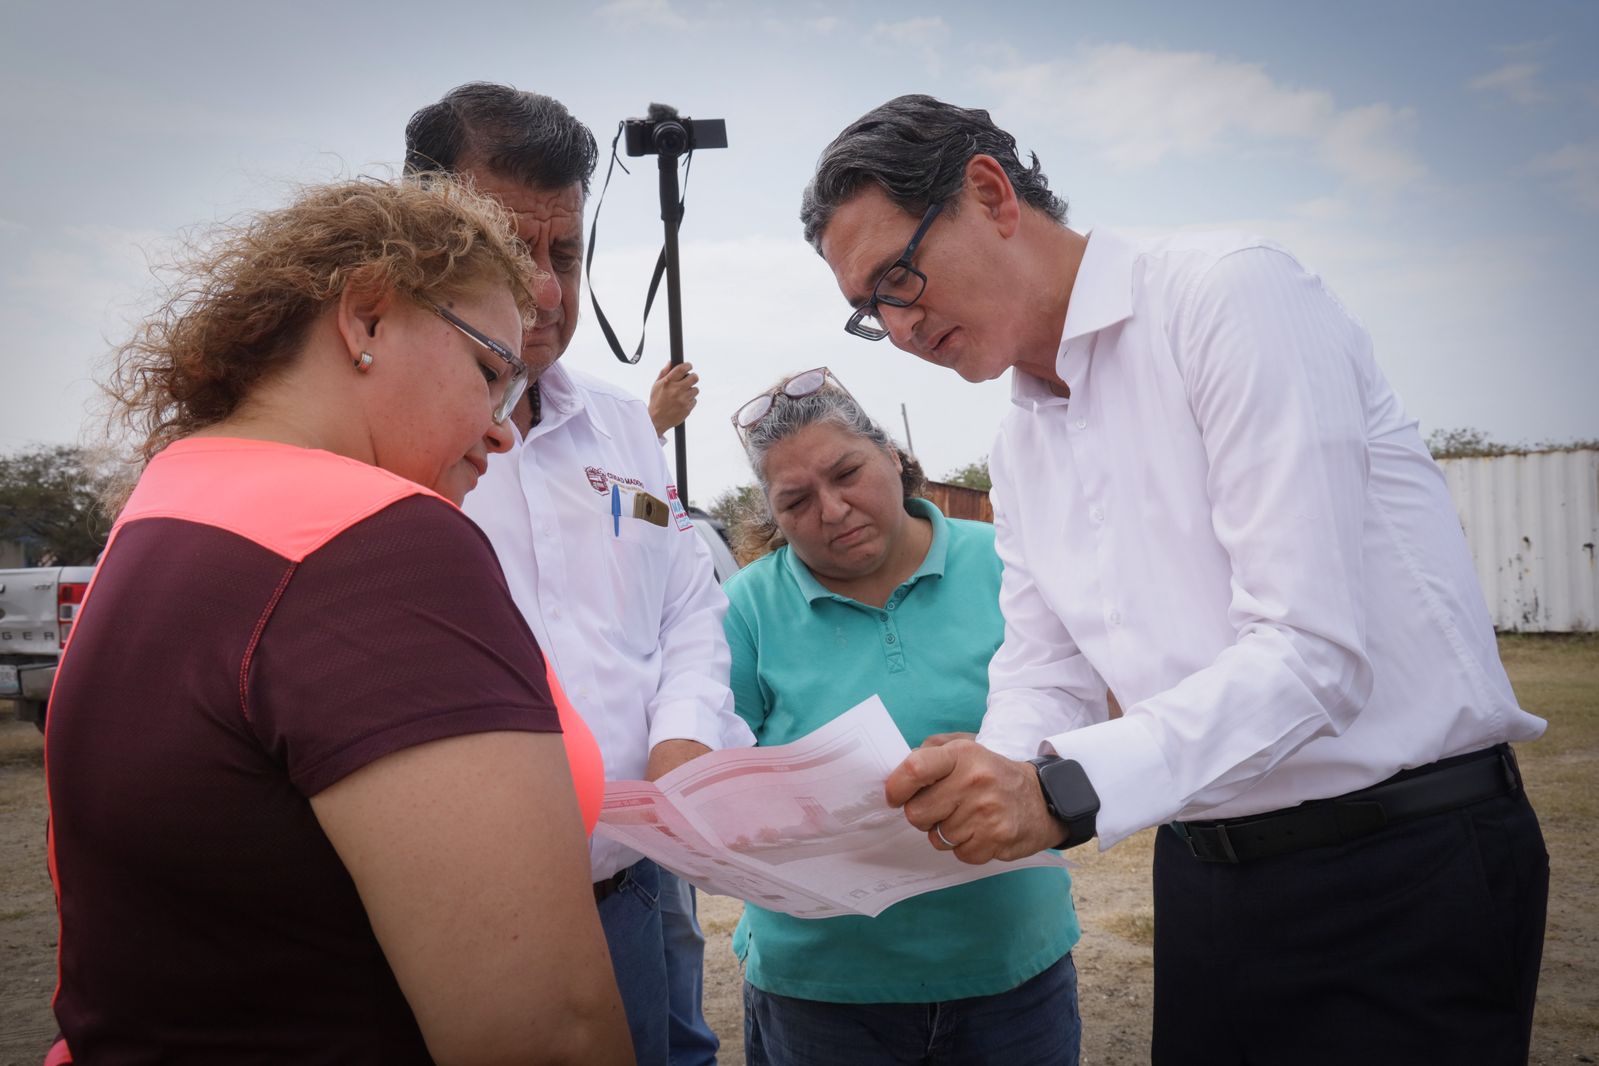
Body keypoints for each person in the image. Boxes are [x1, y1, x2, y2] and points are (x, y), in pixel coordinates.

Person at [803, 95, 1550, 1065]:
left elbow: (1310, 655)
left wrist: (1055, 790)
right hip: (1205, 873)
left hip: (1400, 866)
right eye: (871, 312)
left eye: (899, 277)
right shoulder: (1019, 445)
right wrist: (982, 773)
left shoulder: (1230, 297)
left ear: (989, 194)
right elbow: (1046, 672)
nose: (901, 326)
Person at [43, 177, 631, 1064]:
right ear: (366, 318)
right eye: (489, 373)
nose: (503, 429)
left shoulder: (169, 499)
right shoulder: (380, 545)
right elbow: (548, 1033)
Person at [405, 83, 751, 1066]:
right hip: (452, 928)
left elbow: (685, 602)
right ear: (419, 242)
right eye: (510, 251)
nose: (548, 292)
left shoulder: (625, 427)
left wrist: (685, 733)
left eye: (565, 254)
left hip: (630, 888)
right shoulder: (377, 444)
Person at [720, 367, 1083, 1065]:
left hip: (1009, 969)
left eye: (847, 473)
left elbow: (1101, 703)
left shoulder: (1007, 563)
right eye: (795, 500)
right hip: (822, 988)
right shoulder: (746, 608)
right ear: (771, 514)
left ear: (892, 455)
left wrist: (1013, 755)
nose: (832, 511)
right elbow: (715, 773)